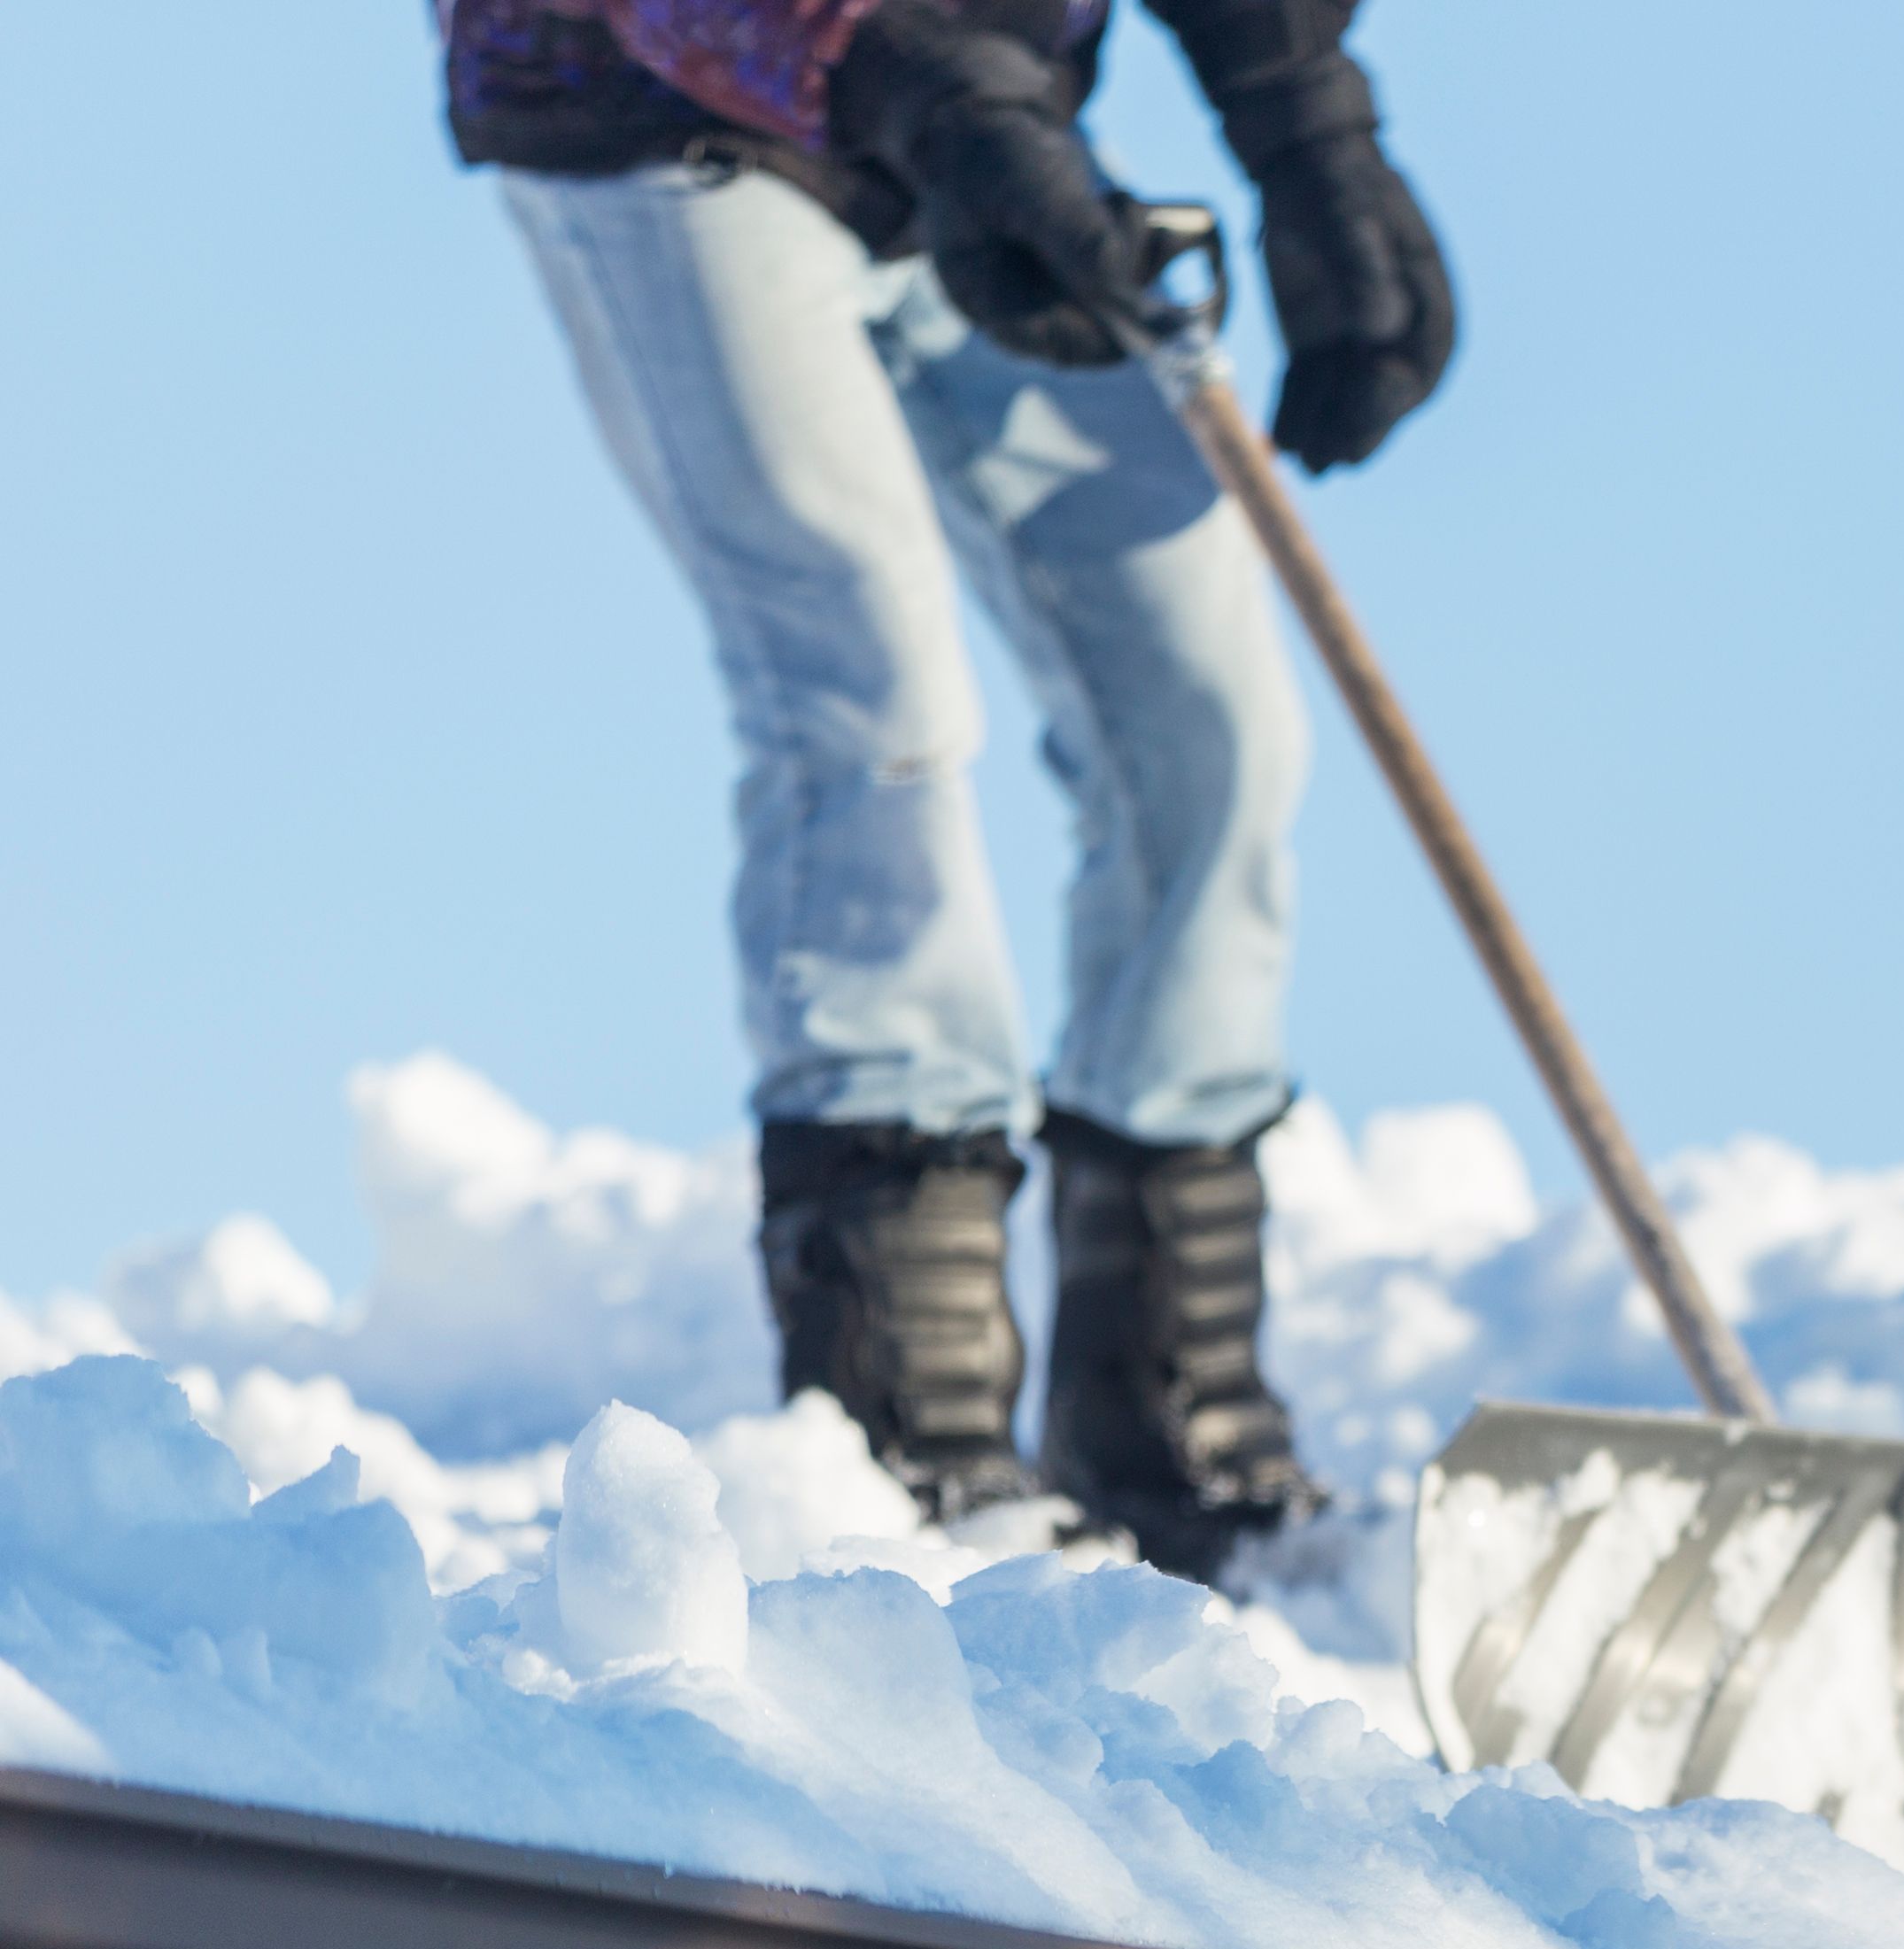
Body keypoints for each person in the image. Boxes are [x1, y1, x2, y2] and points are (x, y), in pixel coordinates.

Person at [433, 0, 1454, 1575]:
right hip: (660, 114)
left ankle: (1165, 1420)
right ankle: (906, 1419)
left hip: (965, 133)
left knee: (1209, 717)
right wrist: (932, 83)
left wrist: (1311, 134)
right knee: (872, 708)